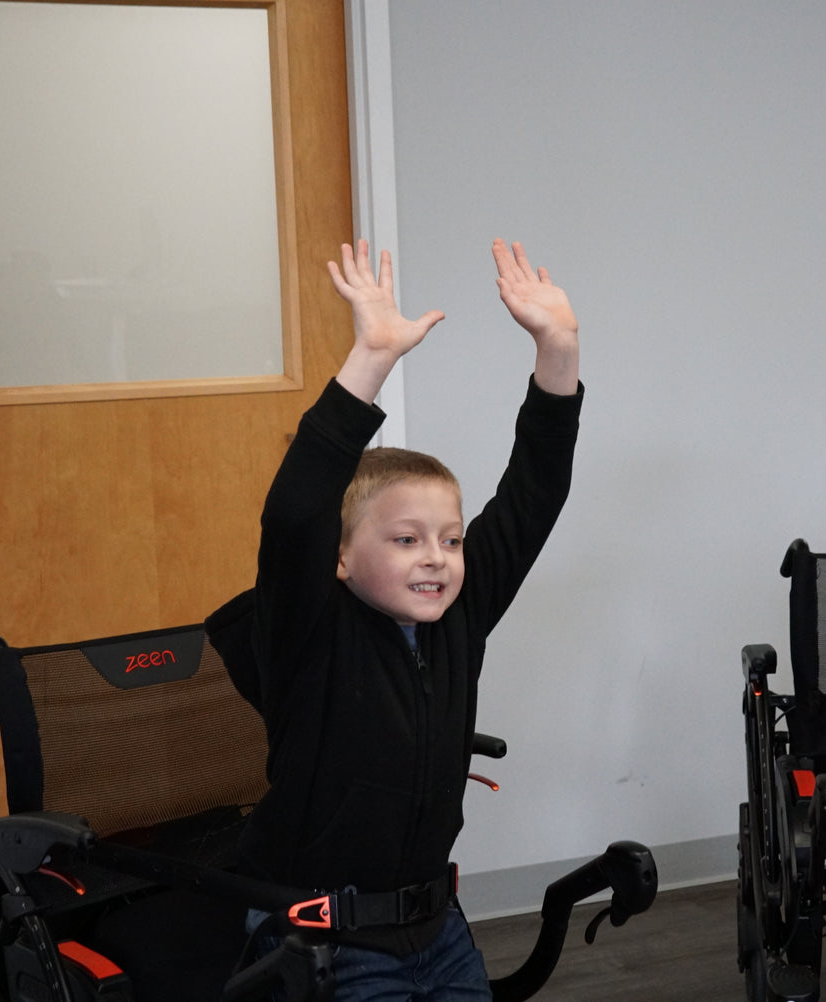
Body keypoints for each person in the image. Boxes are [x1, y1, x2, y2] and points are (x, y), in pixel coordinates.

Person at [238, 237, 581, 1000]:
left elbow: (535, 490)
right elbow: (294, 512)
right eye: (405, 540)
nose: (437, 558)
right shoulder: (308, 631)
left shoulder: (457, 614)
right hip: (324, 937)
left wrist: (558, 349)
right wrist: (371, 359)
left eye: (451, 540)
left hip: (436, 927)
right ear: (340, 557)